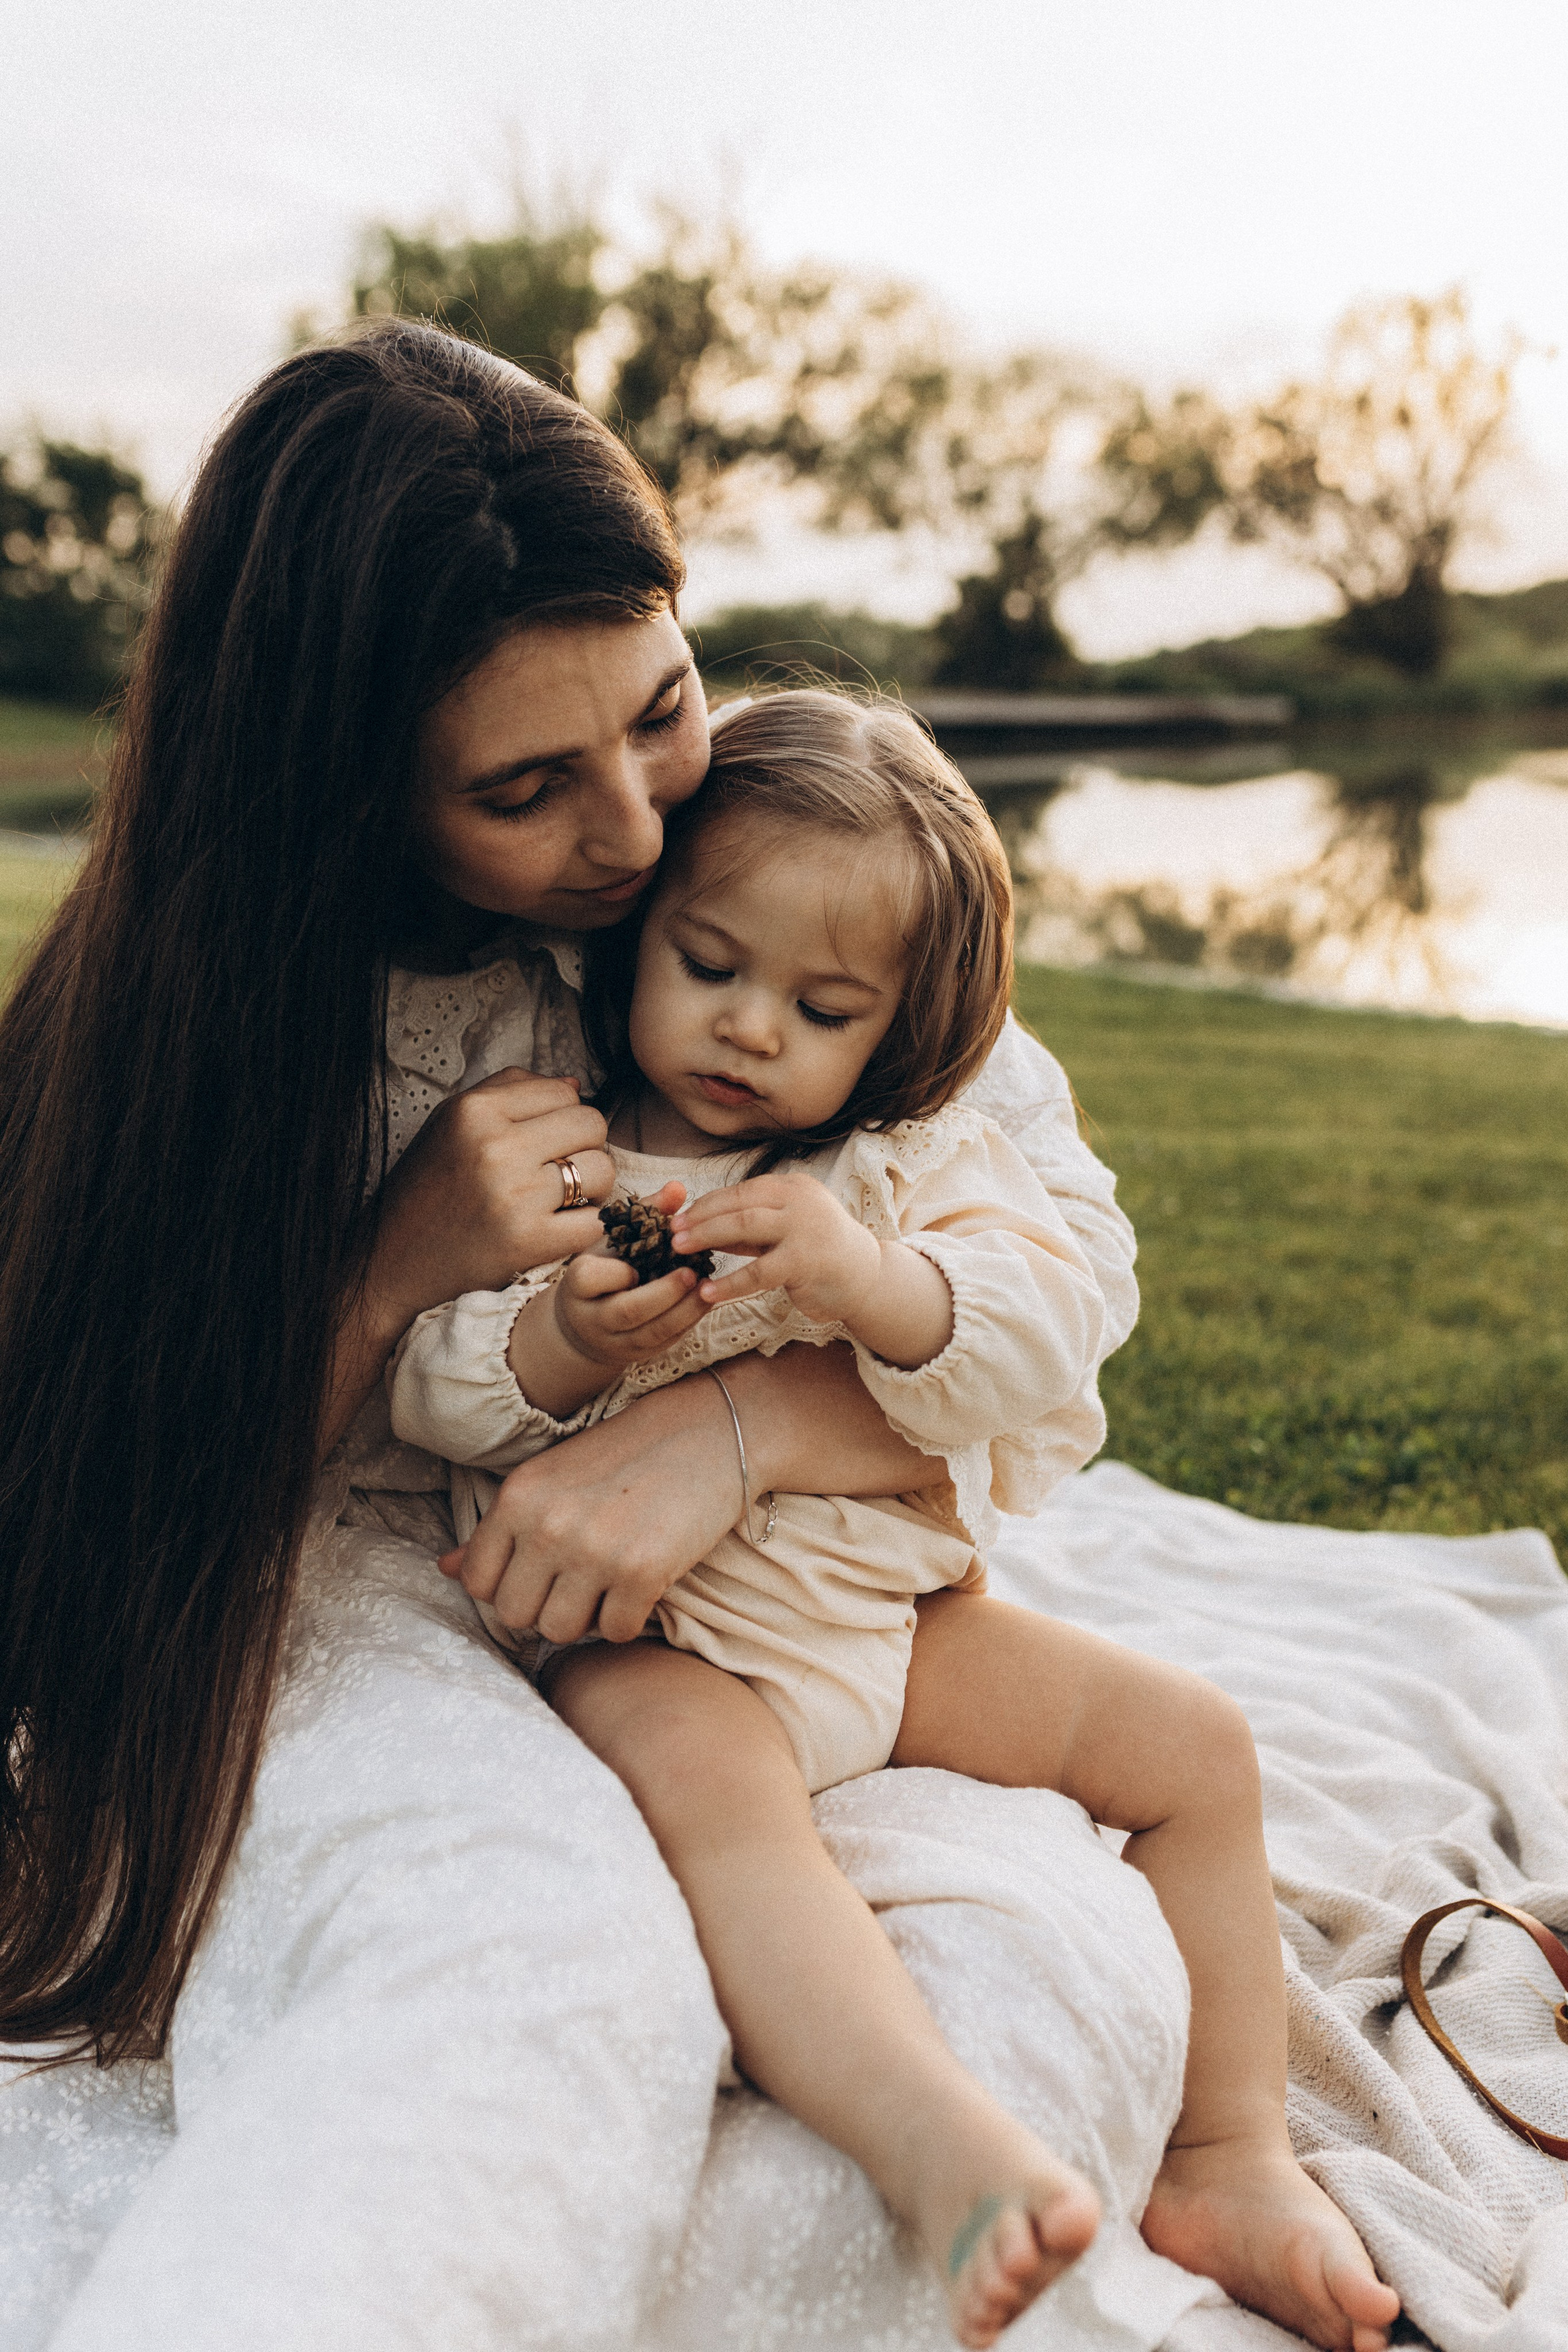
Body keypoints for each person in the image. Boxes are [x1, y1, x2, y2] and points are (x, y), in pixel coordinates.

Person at [0, 322, 1144, 2346]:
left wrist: (734, 1434)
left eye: (662, 710)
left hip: (739, 1589)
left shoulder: (769, 894)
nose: (630, 832)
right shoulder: (203, 1043)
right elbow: (81, 1553)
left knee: (1069, 1955)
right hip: (336, 1591)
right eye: (528, 788)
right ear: (336, 792)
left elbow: (1032, 1340)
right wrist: (391, 1261)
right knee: (542, 1960)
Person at [393, 692, 1403, 2352]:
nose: (749, 1029)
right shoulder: (576, 1158)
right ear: (642, 931)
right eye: (710, 964)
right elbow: (436, 1385)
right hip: (665, 1648)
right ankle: (943, 2153)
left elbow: (1039, 1336)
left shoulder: (901, 1166)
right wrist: (562, 1340)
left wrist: (883, 1286)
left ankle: (1232, 2154)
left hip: (894, 1630)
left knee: (1198, 1749)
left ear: (896, 1033)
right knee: (739, 1827)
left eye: (823, 1004)